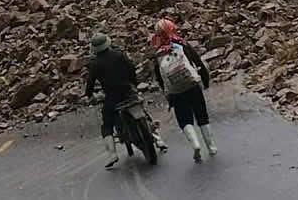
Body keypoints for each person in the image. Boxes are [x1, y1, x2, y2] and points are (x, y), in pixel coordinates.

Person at [85, 33, 166, 169]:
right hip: (128, 93)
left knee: (107, 124)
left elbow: (90, 84)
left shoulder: (94, 64)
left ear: (94, 49)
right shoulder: (119, 55)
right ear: (107, 43)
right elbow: (131, 69)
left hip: (112, 98)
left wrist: (89, 96)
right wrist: (133, 83)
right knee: (144, 113)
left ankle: (112, 154)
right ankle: (159, 140)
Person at [150, 19, 216, 163]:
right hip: (192, 85)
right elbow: (198, 62)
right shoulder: (182, 44)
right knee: (201, 116)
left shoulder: (158, 54)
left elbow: (160, 79)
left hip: (175, 91)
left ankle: (195, 145)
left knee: (184, 119)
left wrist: (168, 95)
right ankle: (211, 147)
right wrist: (204, 81)